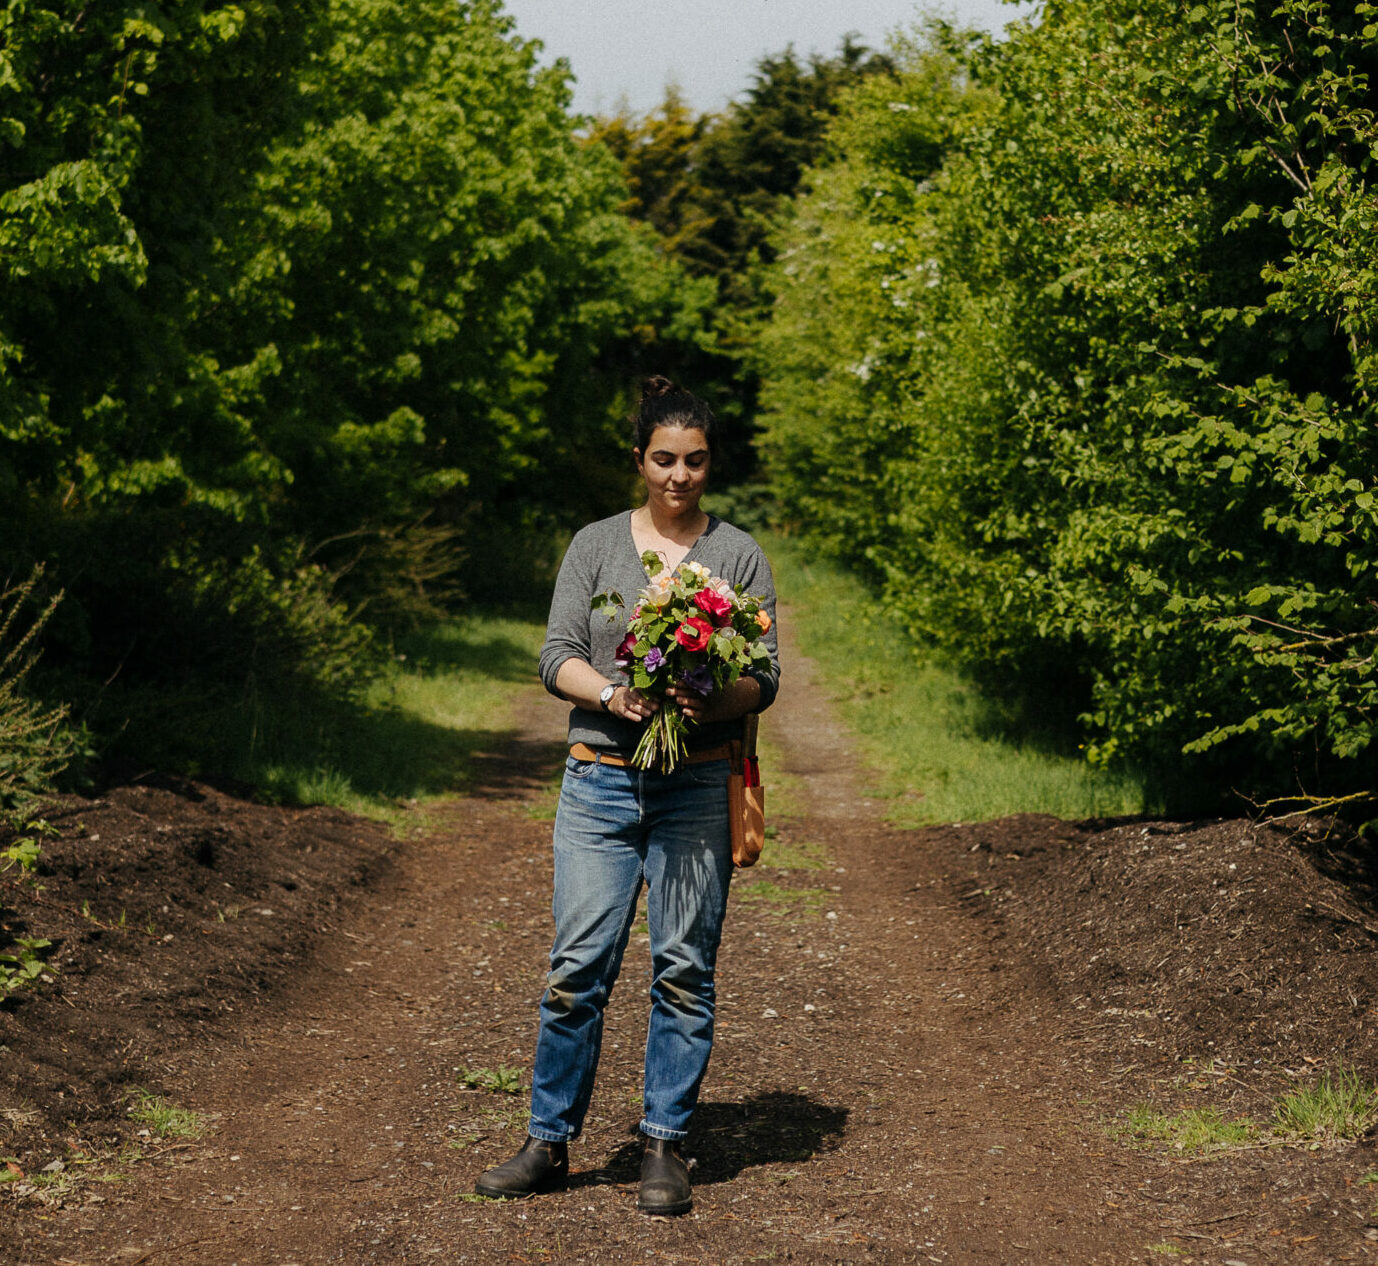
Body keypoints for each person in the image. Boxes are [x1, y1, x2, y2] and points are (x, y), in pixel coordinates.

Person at [474, 376, 780, 1215]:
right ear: (640, 459)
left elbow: (765, 675)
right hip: (600, 785)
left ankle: (664, 1144)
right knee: (579, 968)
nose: (679, 476)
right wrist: (614, 697)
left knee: (684, 968)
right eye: (663, 460)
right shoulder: (597, 546)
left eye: (695, 461)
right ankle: (548, 1142)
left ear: (710, 462)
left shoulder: (739, 555)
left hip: (695, 788)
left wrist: (709, 699)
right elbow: (557, 655)